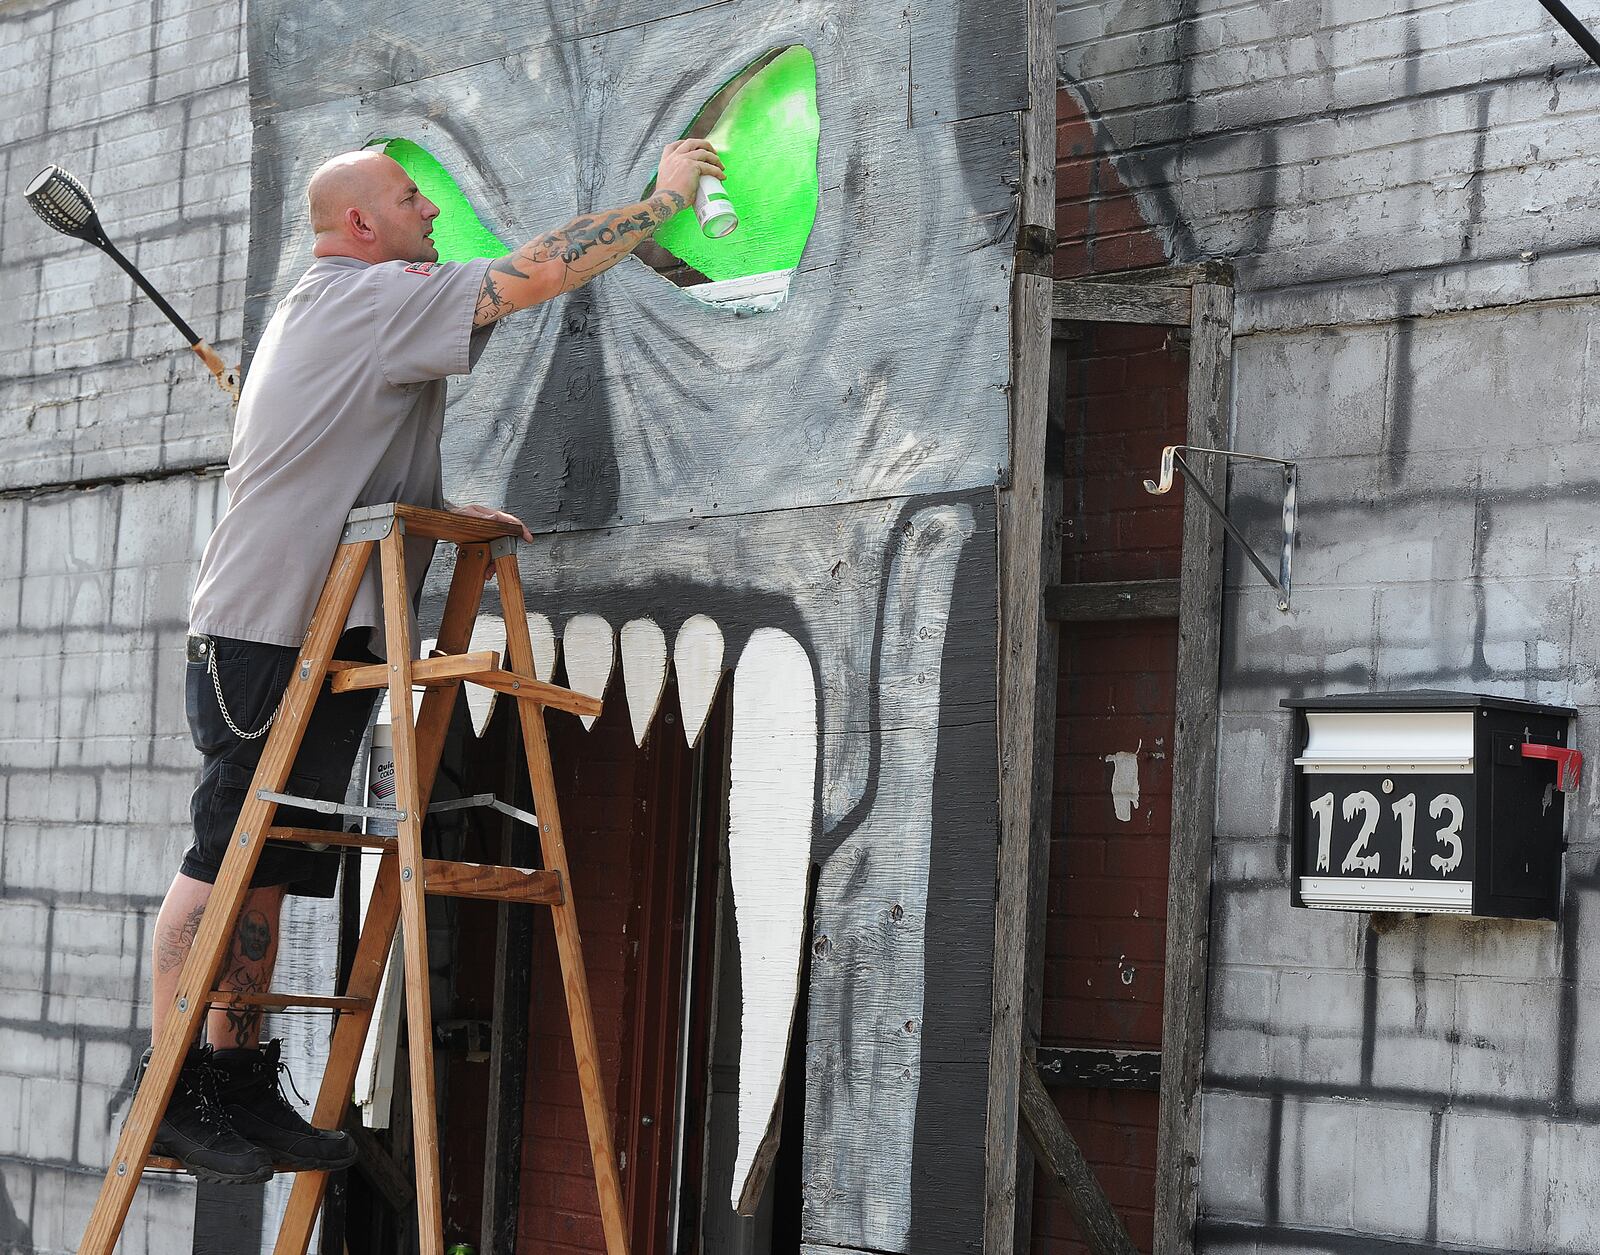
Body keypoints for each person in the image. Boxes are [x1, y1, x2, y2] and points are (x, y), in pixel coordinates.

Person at [138, 137, 725, 1182]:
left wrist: (438, 513)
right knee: (225, 856)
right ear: (361, 225)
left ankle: (233, 1081)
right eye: (413, 200)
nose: (433, 215)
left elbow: (342, 452)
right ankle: (172, 1090)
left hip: (322, 628)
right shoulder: (365, 297)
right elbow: (535, 272)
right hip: (266, 630)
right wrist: (660, 202)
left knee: (268, 872)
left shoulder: (352, 311)